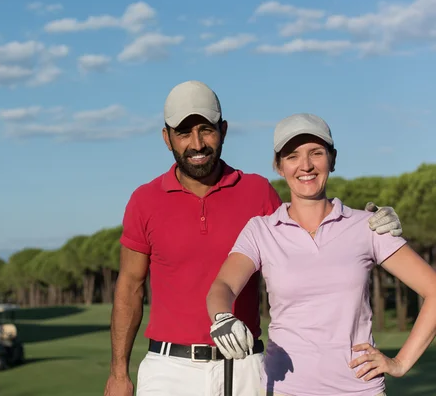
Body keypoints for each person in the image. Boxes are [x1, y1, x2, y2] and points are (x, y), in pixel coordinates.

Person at [103, 81, 404, 396]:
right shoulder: (145, 200)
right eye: (183, 133)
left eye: (206, 130)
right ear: (167, 138)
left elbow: (310, 234)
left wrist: (367, 223)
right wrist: (118, 373)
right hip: (169, 368)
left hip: (246, 366)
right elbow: (129, 288)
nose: (197, 143)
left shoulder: (257, 192)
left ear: (224, 130)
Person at [206, 112, 436, 396]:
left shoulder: (367, 226)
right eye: (292, 156)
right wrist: (221, 318)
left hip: (359, 390)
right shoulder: (261, 230)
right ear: (278, 166)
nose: (306, 165)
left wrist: (401, 363)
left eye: (316, 153)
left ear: (333, 159)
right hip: (286, 389)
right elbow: (223, 285)